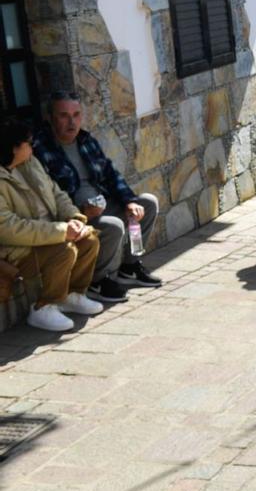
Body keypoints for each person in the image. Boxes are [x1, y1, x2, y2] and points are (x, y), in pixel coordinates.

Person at [33, 92, 161, 300]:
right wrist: (81, 212)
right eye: (64, 116)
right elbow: (48, 197)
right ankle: (97, 281)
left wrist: (128, 201)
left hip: (102, 202)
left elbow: (110, 174)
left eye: (76, 115)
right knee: (114, 225)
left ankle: (129, 267)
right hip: (75, 214)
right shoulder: (40, 149)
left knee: (147, 203)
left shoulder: (86, 140)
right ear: (51, 118)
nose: (71, 122)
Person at [1, 117, 103, 332]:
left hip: (52, 233)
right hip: (20, 250)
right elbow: (9, 229)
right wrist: (62, 231)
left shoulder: (31, 162)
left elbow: (57, 193)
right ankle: (43, 307)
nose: (32, 147)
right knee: (63, 250)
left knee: (89, 239)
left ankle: (72, 295)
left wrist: (74, 218)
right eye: (28, 143)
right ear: (14, 148)